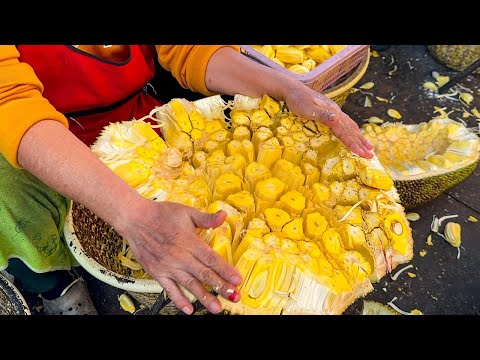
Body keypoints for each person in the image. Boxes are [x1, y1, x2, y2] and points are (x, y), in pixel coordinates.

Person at [0, 45, 373, 315]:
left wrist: (284, 86)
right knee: (13, 202)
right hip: (32, 144)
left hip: (134, 120)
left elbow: (187, 50)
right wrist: (136, 216)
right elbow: (11, 104)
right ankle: (52, 285)